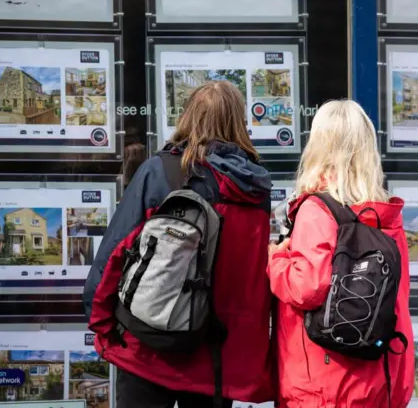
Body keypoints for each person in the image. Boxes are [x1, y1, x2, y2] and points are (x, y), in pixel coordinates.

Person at [83, 81, 275, 408]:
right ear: (238, 122)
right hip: (214, 355)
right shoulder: (254, 188)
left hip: (148, 344)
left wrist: (101, 320)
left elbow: (114, 252)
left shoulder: (160, 172)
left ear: (188, 117)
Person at [267, 100, 414, 407]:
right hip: (379, 379)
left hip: (322, 387)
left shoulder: (317, 210)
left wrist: (275, 259)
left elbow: (307, 288)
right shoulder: (386, 217)